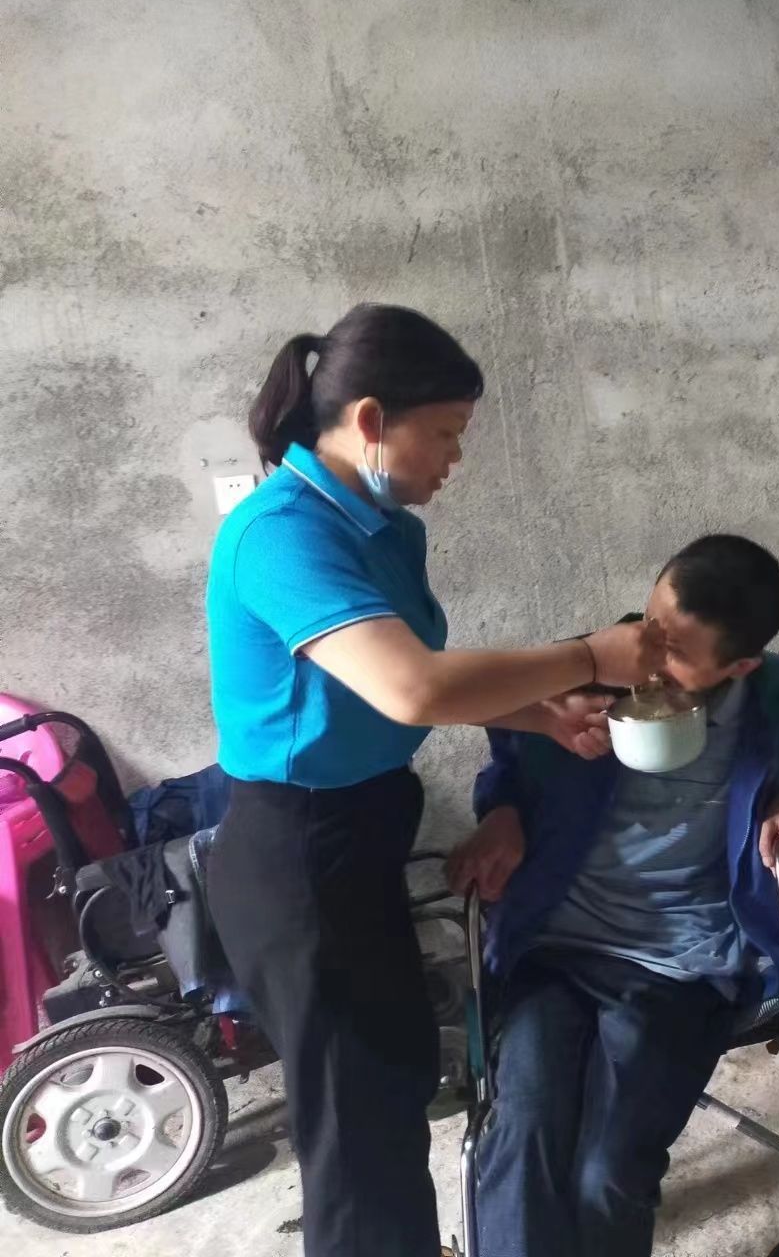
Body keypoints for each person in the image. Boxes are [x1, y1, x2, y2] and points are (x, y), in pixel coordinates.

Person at [205, 303, 662, 1257]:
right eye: (445, 433)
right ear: (371, 420)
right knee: (355, 1133)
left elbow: (401, 690)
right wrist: (588, 656)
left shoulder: (383, 527)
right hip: (298, 852)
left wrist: (539, 714)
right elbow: (411, 686)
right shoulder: (278, 535)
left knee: (401, 1075)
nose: (455, 458)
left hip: (365, 829)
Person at [446, 535, 779, 1257]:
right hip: (555, 946)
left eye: (673, 654)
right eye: (649, 626)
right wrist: (503, 813)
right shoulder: (585, 668)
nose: (646, 656)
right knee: (523, 1137)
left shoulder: (776, 697)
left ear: (739, 667)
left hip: (685, 966)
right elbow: (509, 761)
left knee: (608, 1171)